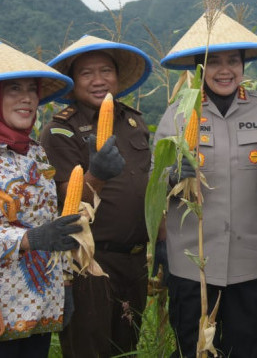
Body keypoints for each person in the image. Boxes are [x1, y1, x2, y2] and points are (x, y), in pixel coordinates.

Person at [156, 11, 257, 358]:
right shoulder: (178, 114)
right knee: (194, 351)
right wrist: (173, 174)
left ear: (244, 65)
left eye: (233, 60)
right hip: (194, 265)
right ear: (200, 68)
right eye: (213, 62)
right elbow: (154, 181)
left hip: (253, 264)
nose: (224, 70)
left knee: (248, 349)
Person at [39, 35, 153, 357]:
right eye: (87, 73)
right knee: (88, 349)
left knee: (125, 348)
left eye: (106, 71)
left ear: (118, 77)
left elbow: (145, 186)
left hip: (134, 260)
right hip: (89, 262)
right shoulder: (60, 131)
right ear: (73, 82)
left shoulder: (134, 121)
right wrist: (96, 175)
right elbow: (63, 203)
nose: (99, 80)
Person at [0, 42, 82, 358]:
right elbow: (38, 234)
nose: (27, 98)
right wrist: (28, 238)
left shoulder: (37, 153)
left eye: (31, 90)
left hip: (38, 306)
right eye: (13, 89)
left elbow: (52, 226)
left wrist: (65, 285)